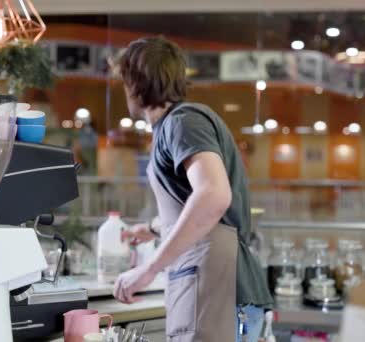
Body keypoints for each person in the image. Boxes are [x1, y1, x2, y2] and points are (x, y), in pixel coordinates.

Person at [112, 37, 273, 342]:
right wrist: (154, 228)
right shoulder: (172, 127)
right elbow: (194, 202)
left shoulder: (183, 123)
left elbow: (214, 195)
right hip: (215, 287)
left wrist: (148, 269)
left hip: (221, 290)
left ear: (135, 83)